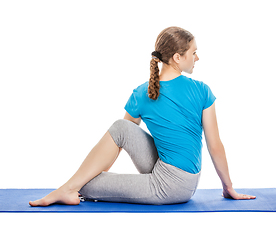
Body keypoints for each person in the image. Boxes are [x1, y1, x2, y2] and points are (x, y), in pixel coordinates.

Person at [29, 26, 255, 207]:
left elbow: (119, 142)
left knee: (85, 185)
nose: (197, 58)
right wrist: (228, 187)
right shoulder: (201, 90)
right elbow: (214, 145)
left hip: (170, 187)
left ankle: (67, 189)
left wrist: (228, 189)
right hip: (184, 179)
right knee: (119, 129)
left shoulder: (143, 92)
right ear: (177, 57)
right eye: (193, 52)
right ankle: (68, 189)